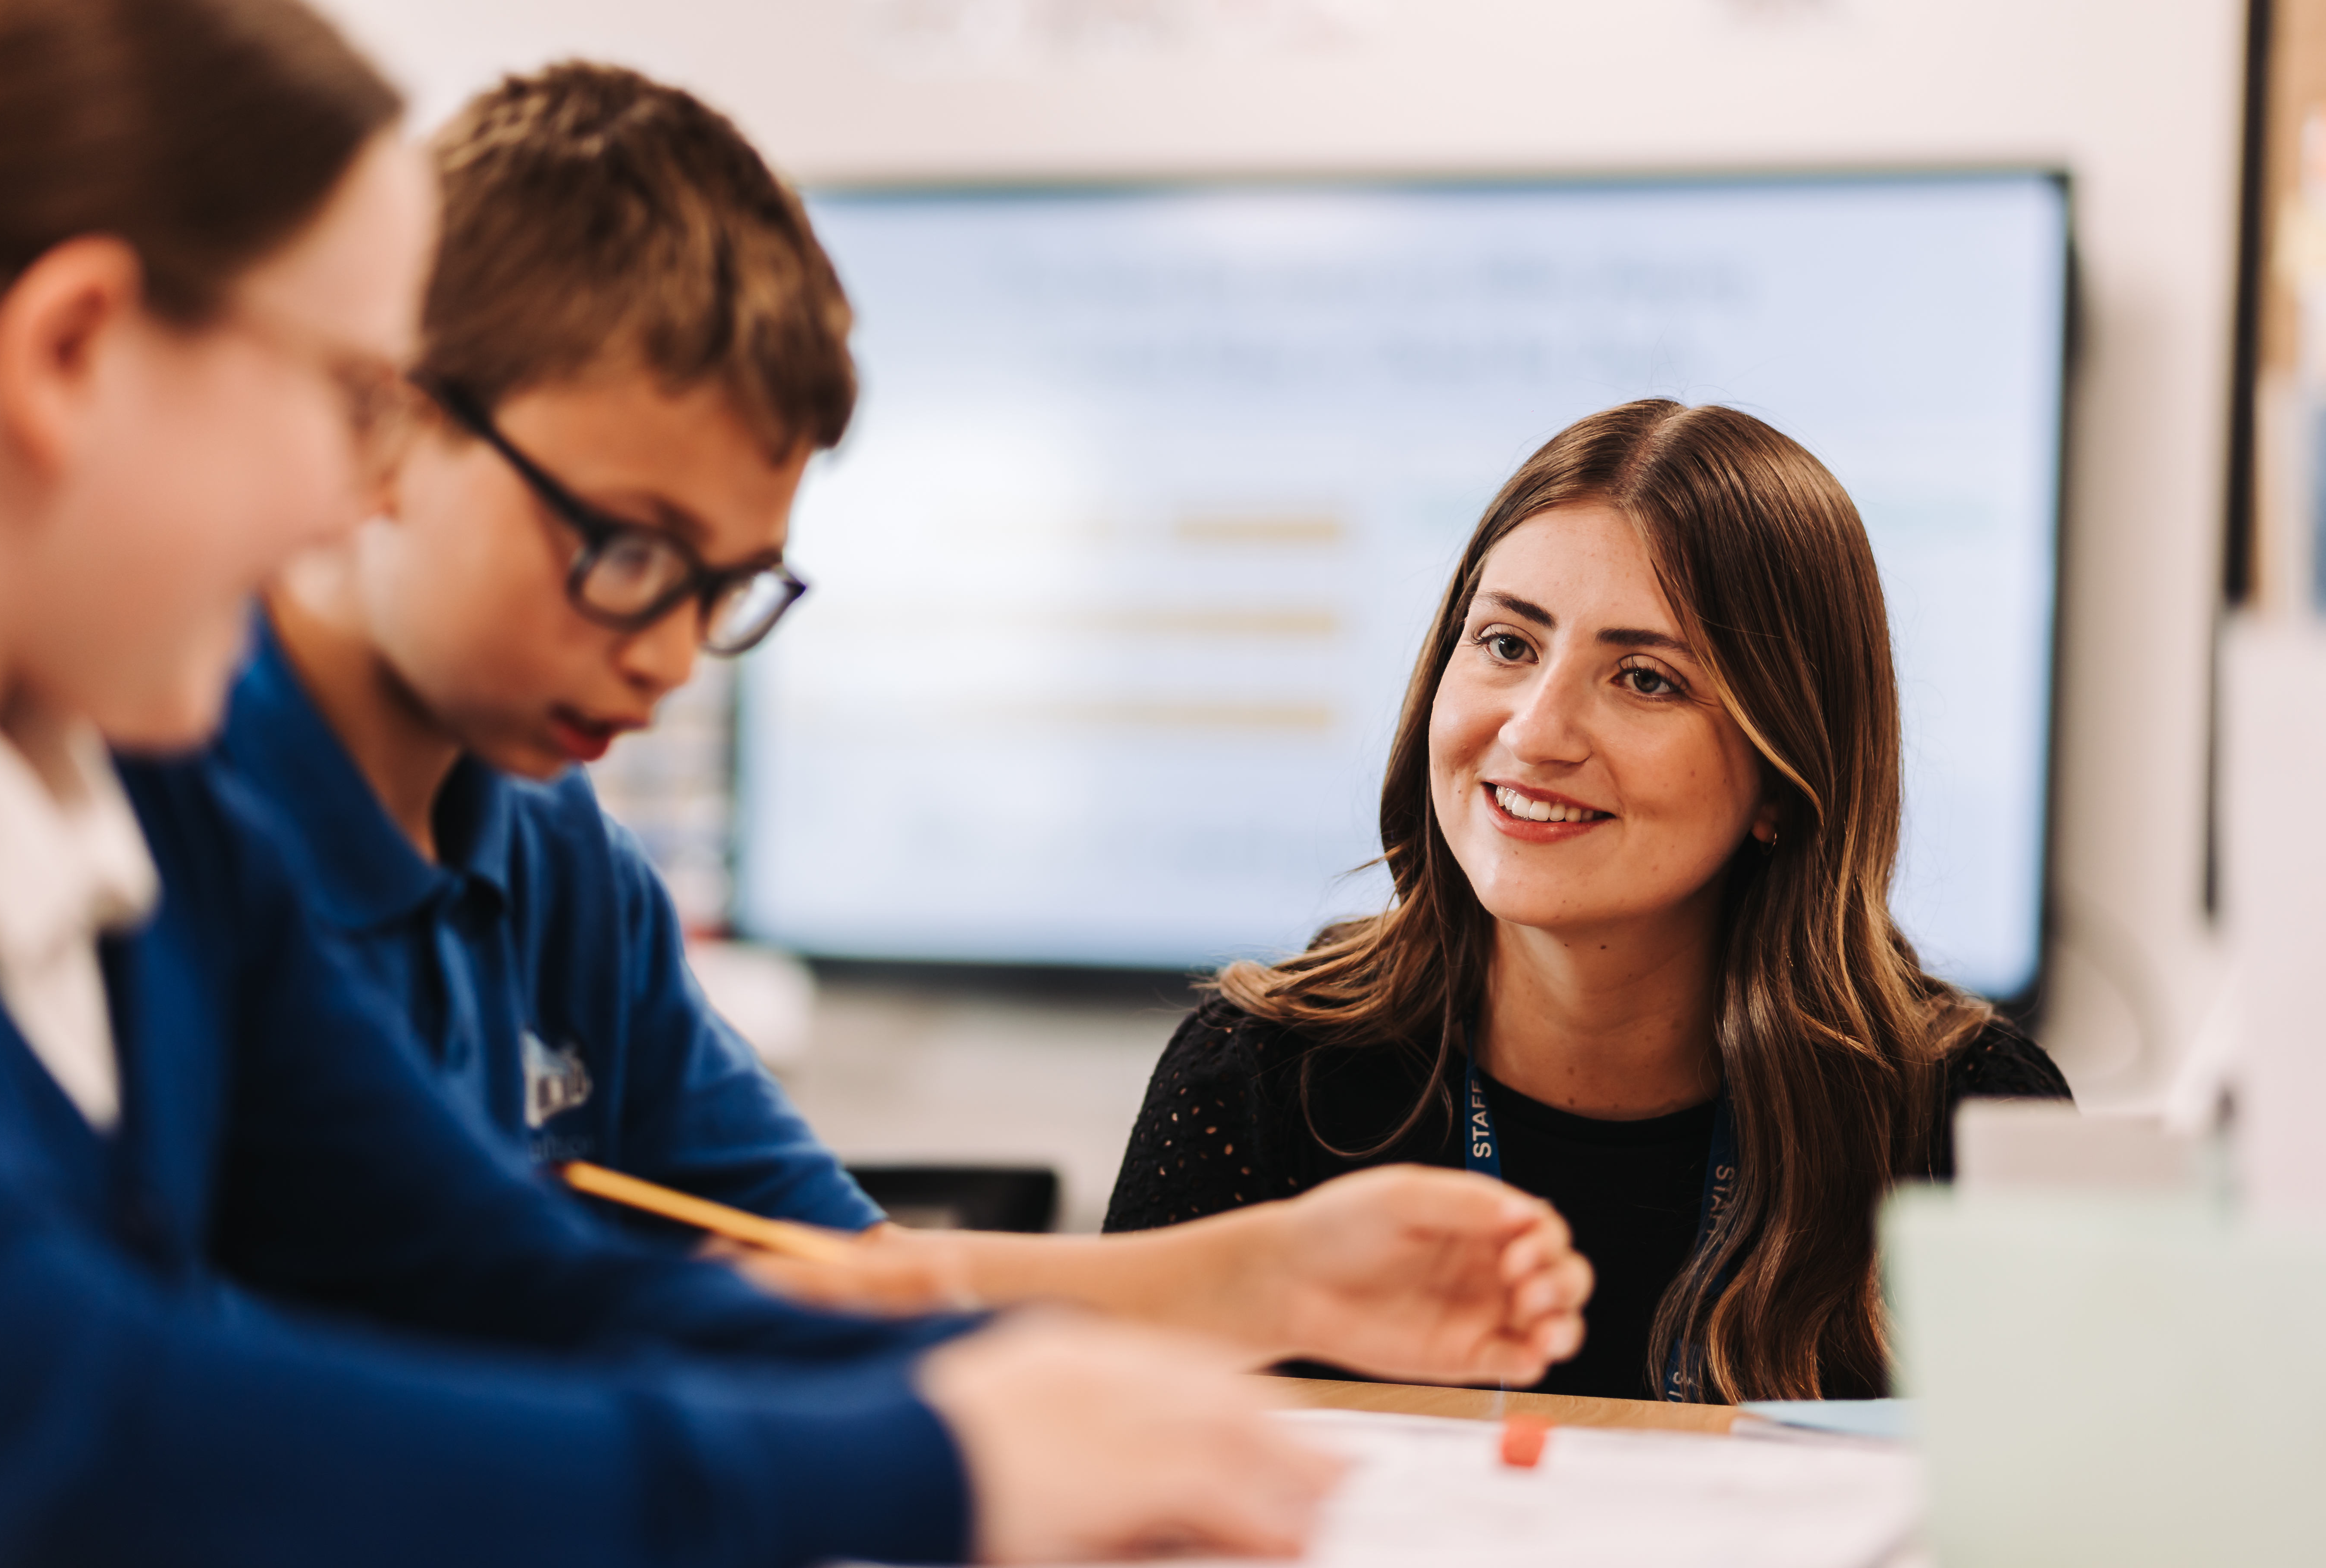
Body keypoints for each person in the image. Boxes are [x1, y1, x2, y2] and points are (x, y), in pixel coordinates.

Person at [0, 1, 1352, 1561]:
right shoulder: (191, 783)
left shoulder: (148, 819)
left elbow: (495, 1270)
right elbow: (78, 1416)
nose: (343, 488)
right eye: (342, 392)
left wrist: (1008, 1386)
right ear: (70, 349)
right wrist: (931, 1462)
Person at [230, 58, 1593, 1382]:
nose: (666, 659)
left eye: (725, 588)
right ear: (394, 423)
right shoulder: (167, 825)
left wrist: (1270, 1281)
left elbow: (833, 1273)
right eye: (631, 552)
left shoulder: (552, 855)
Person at [1104, 399, 2073, 1405]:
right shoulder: (1263, 1073)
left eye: (1646, 679)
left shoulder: (1960, 1114)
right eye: (1509, 646)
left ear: (1784, 783)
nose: (1534, 733)